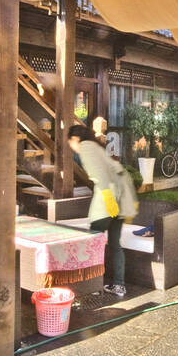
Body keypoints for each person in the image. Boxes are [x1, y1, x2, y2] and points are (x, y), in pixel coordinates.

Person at [70, 122, 138, 297]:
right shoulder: (97, 148)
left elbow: (100, 174)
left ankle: (91, 287)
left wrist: (108, 199)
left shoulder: (86, 147)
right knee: (115, 244)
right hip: (122, 199)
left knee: (92, 244)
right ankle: (119, 285)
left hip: (109, 200)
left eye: (70, 142)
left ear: (75, 139)